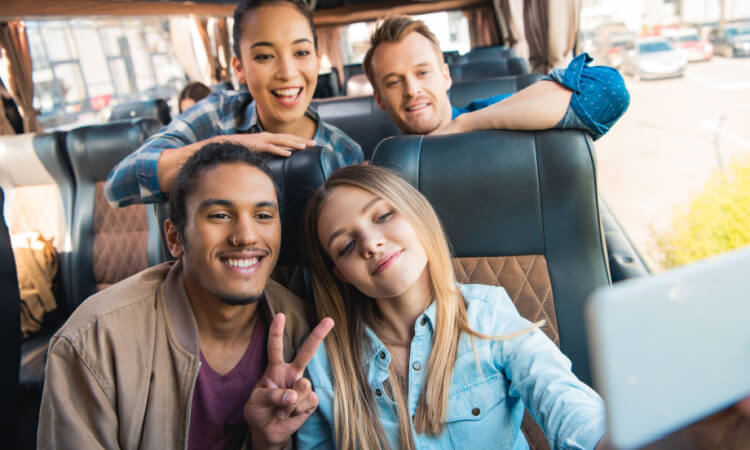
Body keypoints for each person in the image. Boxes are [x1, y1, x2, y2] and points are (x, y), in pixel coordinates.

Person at [38, 143, 333, 449]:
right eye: (219, 215)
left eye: (262, 215)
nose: (246, 235)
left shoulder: (303, 334)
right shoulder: (95, 341)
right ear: (174, 238)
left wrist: (266, 443)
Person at [297, 164, 606, 449]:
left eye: (383, 216)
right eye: (347, 246)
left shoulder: (488, 314)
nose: (370, 243)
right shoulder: (324, 361)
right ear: (340, 273)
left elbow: (562, 397)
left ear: (417, 212)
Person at [104, 0, 362, 208]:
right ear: (239, 68)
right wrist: (227, 150)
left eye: (301, 53)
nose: (287, 72)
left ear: (317, 60)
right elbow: (119, 185)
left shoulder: (344, 151)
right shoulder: (216, 116)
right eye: (264, 56)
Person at [362, 15, 629, 139]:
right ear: (379, 99)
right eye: (394, 82)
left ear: (445, 76)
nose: (412, 90)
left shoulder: (498, 115)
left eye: (422, 72)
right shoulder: (382, 165)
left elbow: (609, 90)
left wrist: (462, 126)